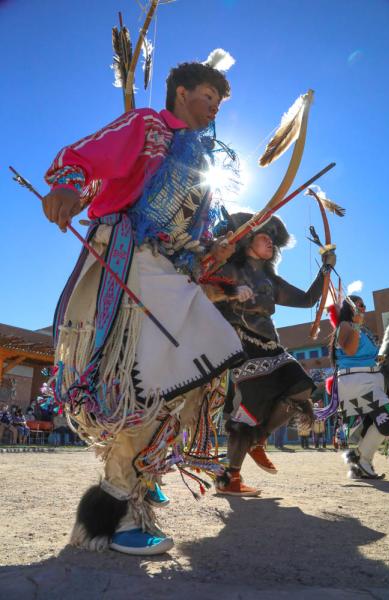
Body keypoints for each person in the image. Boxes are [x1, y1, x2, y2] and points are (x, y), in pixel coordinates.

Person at [41, 56, 244, 555]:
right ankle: (121, 512)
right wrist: (67, 185)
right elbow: (85, 155)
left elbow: (197, 230)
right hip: (131, 262)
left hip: (173, 275)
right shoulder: (148, 125)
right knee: (142, 386)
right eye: (207, 96)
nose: (213, 106)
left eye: (218, 101)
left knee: (212, 357)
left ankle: (135, 477)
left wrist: (215, 248)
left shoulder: (206, 157)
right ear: (181, 93)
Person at [212, 212, 336, 496]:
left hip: (272, 347)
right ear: (246, 242)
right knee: (246, 413)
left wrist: (325, 270)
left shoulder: (270, 280)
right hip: (241, 347)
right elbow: (204, 285)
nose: (270, 244)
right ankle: (230, 478)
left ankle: (259, 440)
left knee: (302, 387)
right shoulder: (229, 269)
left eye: (272, 240)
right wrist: (230, 290)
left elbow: (307, 300)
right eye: (264, 237)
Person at [329, 296, 389, 479]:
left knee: (384, 422)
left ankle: (361, 460)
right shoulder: (345, 326)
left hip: (370, 380)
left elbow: (375, 358)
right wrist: (357, 325)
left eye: (364, 305)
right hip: (357, 381)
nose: (364, 307)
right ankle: (360, 456)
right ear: (350, 307)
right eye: (360, 305)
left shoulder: (364, 330)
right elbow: (350, 351)